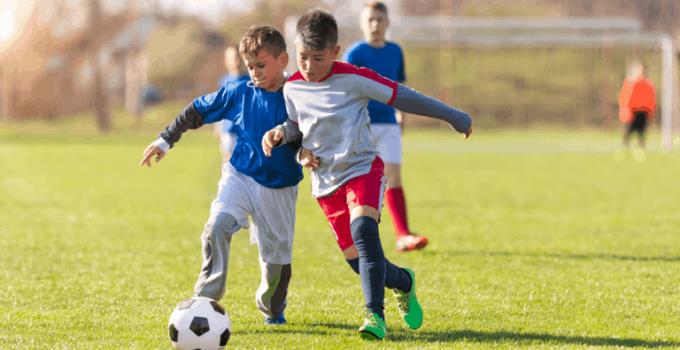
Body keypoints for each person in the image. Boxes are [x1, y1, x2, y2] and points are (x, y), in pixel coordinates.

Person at [262, 9, 472, 340]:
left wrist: (452, 115)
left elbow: (403, 96)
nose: (309, 66)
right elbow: (295, 126)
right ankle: (404, 282)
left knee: (364, 229)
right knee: (357, 262)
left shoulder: (355, 78)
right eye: (303, 57)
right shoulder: (292, 88)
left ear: (335, 52)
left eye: (318, 58)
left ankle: (374, 315)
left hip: (362, 168)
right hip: (326, 183)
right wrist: (286, 139)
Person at [140, 26, 302, 325]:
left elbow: (316, 132)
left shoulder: (301, 94)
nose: (254, 73)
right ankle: (204, 300)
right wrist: (165, 140)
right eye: (250, 66)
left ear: (283, 59)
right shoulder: (239, 92)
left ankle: (271, 305)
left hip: (279, 188)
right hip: (239, 176)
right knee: (216, 225)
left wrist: (307, 150)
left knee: (276, 267)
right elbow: (196, 110)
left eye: (261, 66)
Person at [343, 1, 427, 252]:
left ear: (387, 22)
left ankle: (403, 235)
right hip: (362, 126)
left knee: (393, 176)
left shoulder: (395, 51)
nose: (375, 25)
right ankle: (355, 234)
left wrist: (402, 115)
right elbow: (346, 91)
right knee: (359, 179)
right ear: (362, 23)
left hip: (389, 124)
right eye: (370, 20)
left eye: (379, 19)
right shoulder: (354, 53)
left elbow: (400, 88)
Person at [215, 46, 250, 160]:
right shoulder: (223, 81)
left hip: (245, 133)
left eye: (238, 57)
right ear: (226, 61)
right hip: (228, 132)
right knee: (228, 166)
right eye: (232, 58)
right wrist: (217, 127)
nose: (236, 61)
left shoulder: (250, 81)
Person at [617, 61, 656, 161]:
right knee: (629, 130)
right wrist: (624, 109)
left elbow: (651, 97)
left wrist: (650, 110)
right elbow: (624, 97)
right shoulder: (629, 83)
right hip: (632, 111)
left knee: (641, 131)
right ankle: (624, 148)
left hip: (644, 111)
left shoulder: (646, 83)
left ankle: (640, 150)